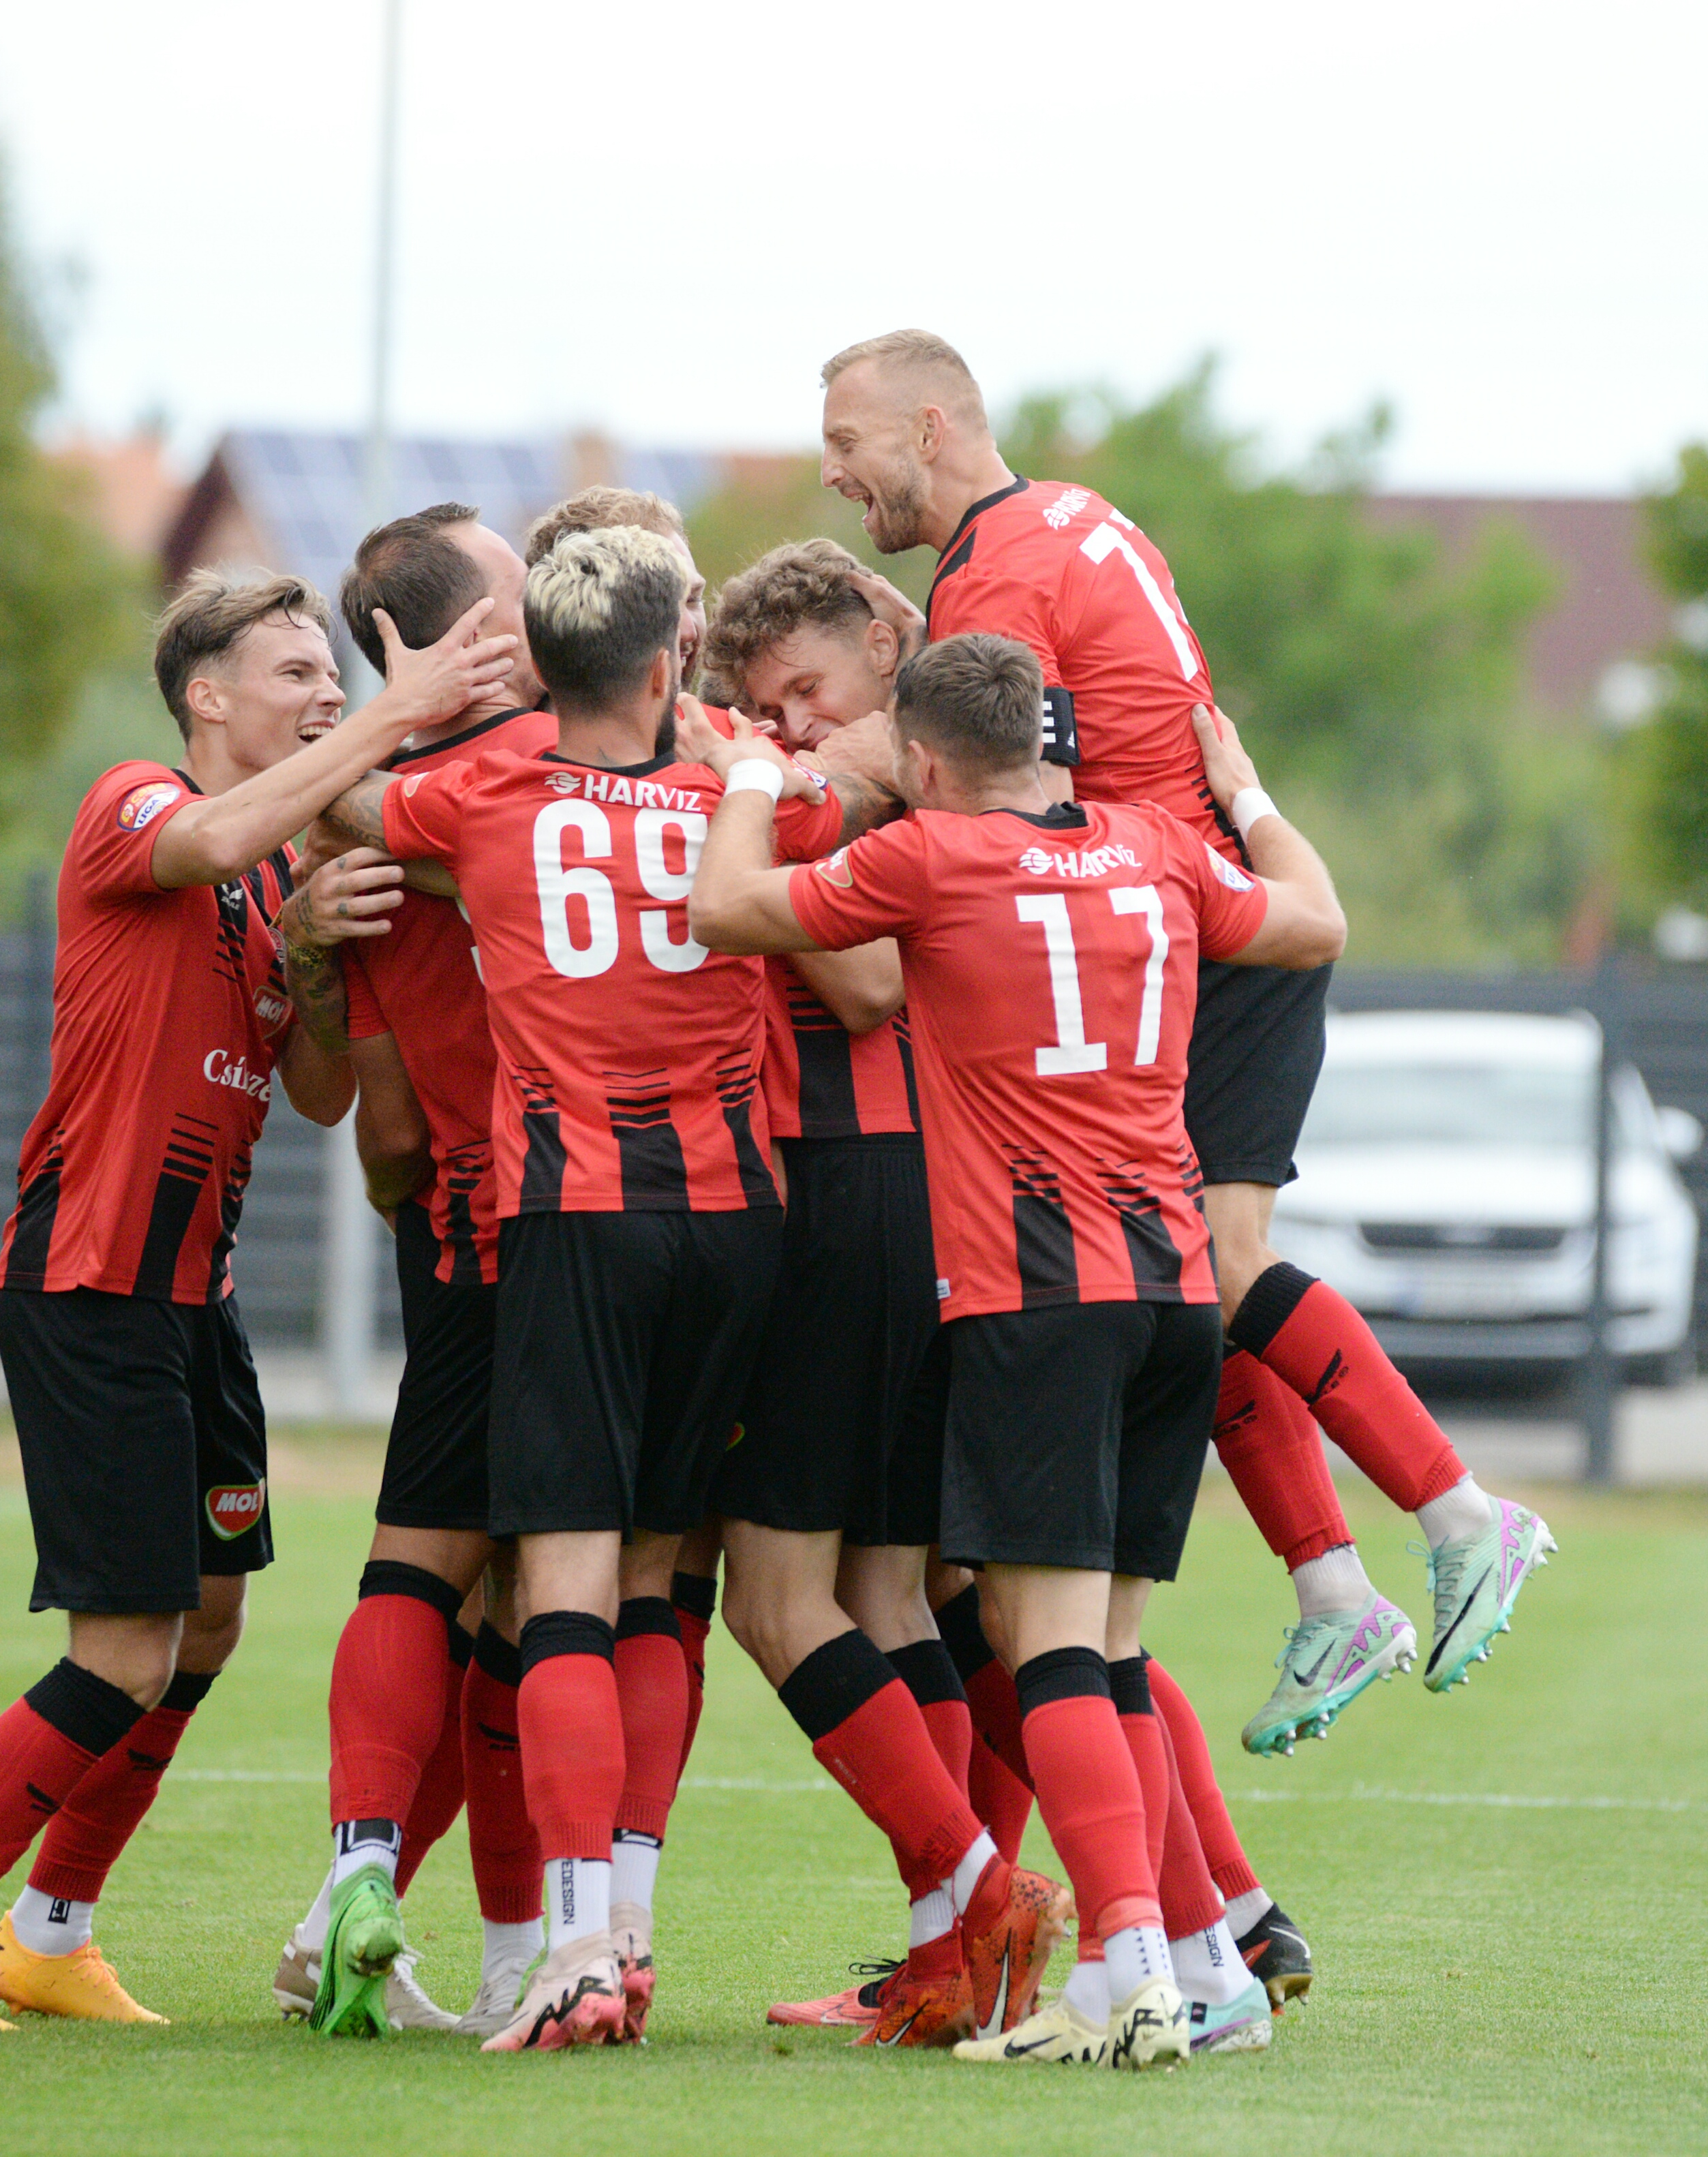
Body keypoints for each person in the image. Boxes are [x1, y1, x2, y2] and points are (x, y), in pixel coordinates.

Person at [816, 330, 1555, 1759]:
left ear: (930, 426)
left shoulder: (998, 573)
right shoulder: (1067, 516)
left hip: (1193, 936)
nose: (836, 472)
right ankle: (1334, 1585)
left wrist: (784, 773)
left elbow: (1004, 791)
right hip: (1191, 916)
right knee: (1172, 1277)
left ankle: (1459, 1513)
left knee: (1215, 1263)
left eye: (847, 440)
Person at [0, 569, 515, 2032]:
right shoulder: (138, 801)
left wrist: (316, 952)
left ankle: (49, 1932)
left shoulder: (274, 879)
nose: (325, 694)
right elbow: (207, 835)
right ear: (206, 695)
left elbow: (319, 1091)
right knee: (125, 1646)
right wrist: (394, 714)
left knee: (204, 1626)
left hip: (195, 1299)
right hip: (93, 1282)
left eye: (332, 676)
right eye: (294, 672)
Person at [682, 631, 1343, 2067]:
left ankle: (1124, 1973)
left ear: (921, 759)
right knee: (1109, 1649)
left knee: (1043, 1651)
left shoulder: (928, 855)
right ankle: (1200, 1966)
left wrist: (745, 771)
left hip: (1038, 1299)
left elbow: (723, 905)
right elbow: (1313, 920)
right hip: (1174, 1292)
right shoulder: (1156, 844)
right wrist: (1246, 792)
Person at [336, 525, 881, 2051]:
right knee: (656, 1577)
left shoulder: (483, 799)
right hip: (738, 1223)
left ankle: (578, 1946)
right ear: (664, 665)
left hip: (573, 1218)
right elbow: (871, 788)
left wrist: (390, 714)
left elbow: (351, 805)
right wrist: (749, 748)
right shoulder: (734, 795)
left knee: (560, 1583)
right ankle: (620, 1930)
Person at [264, 503, 560, 2041]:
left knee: (425, 1564)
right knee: (543, 1597)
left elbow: (372, 1121)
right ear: (463, 633)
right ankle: (519, 1951)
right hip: (589, 1224)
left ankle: (355, 1885)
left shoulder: (359, 823)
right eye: (517, 579)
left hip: (452, 1229)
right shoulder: (548, 767)